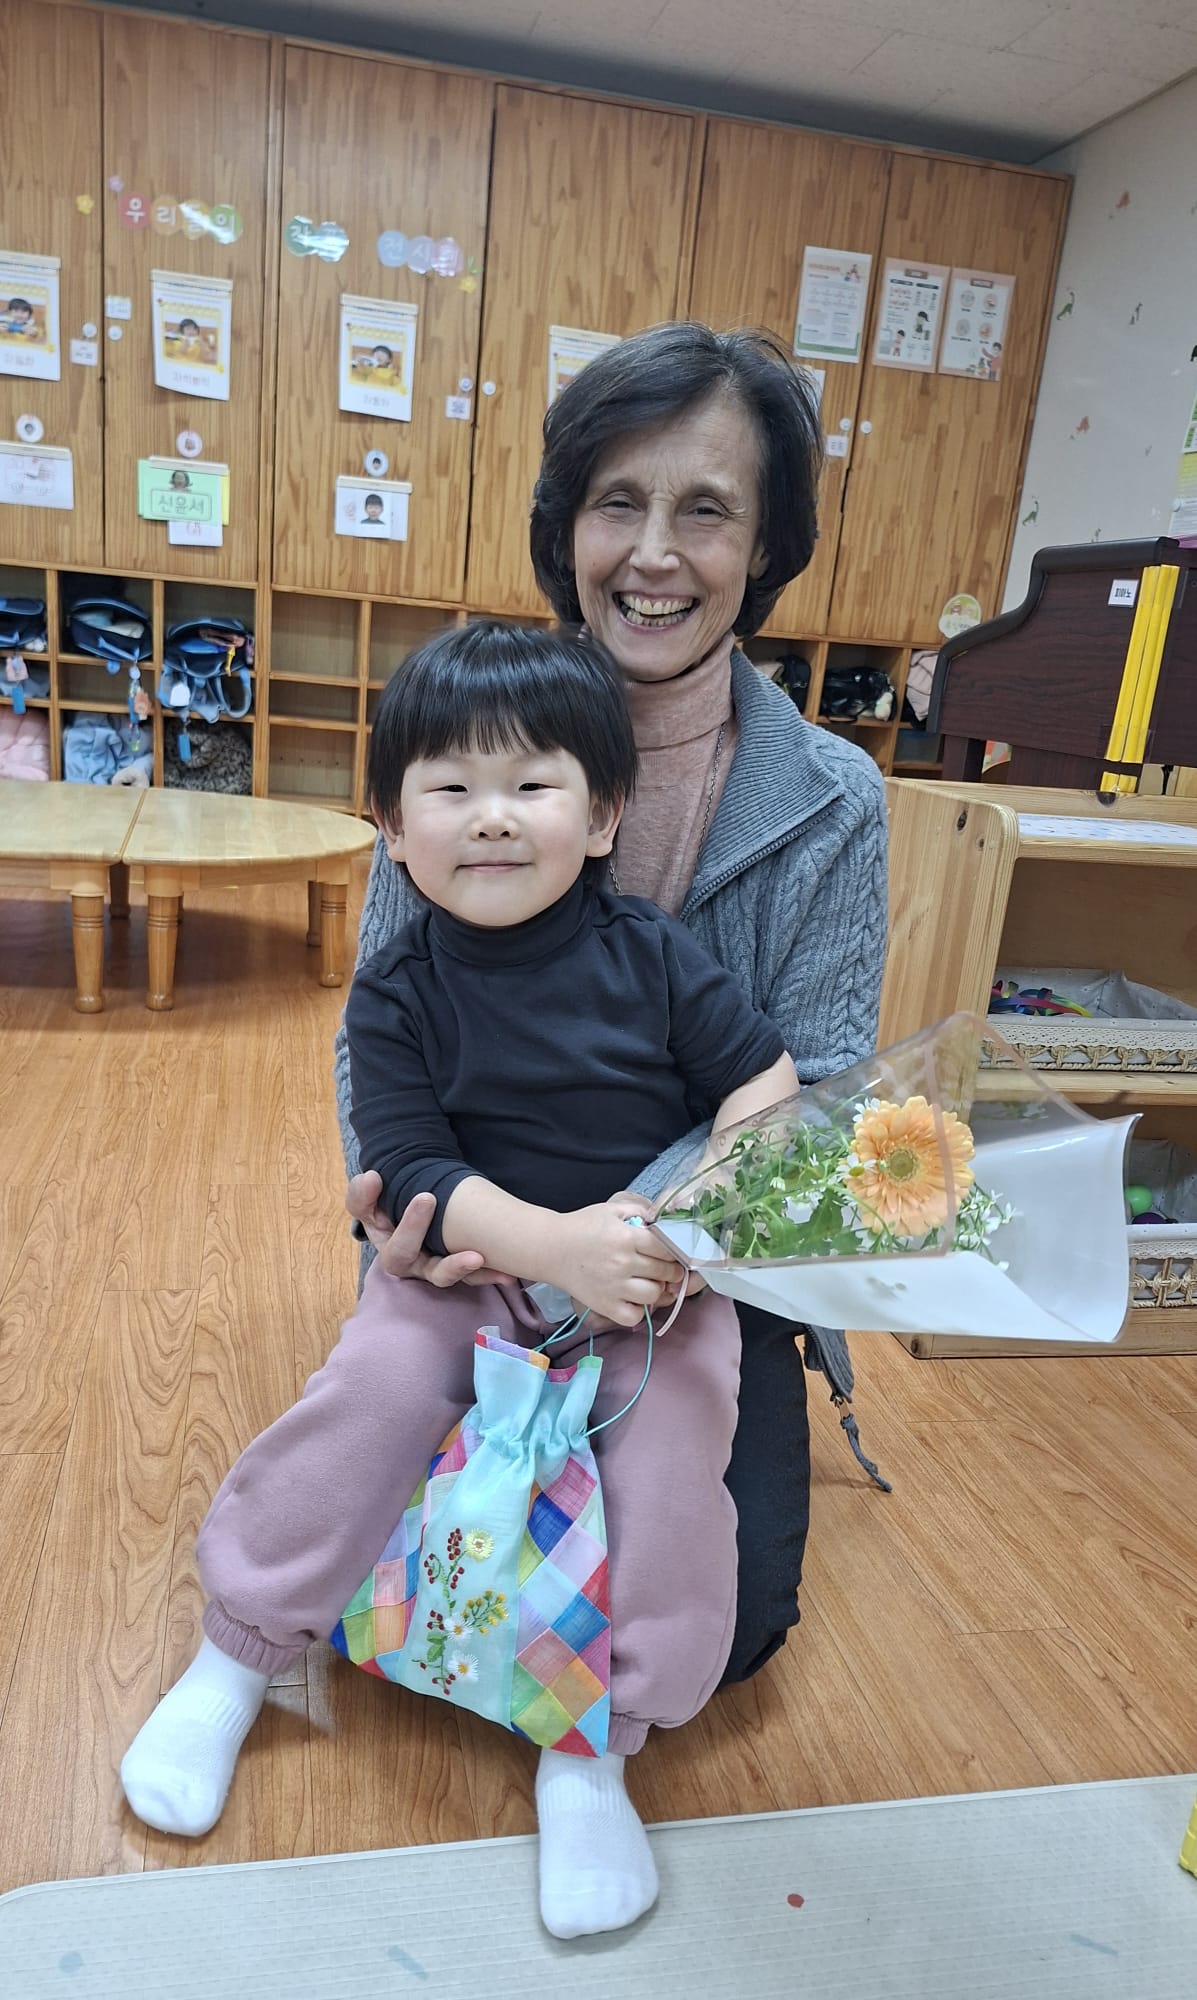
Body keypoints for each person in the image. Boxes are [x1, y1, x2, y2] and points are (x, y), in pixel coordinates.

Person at [120, 621, 799, 1942]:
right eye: (450, 786)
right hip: (468, 1269)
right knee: (370, 1394)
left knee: (672, 1459)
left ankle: (593, 1751)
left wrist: (691, 1215)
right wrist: (554, 1247)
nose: (492, 816)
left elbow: (763, 1077)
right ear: (391, 826)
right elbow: (415, 1161)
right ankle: (238, 1657)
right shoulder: (395, 988)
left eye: (532, 784)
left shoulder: (657, 954)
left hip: (650, 1288)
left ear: (601, 818)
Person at [344, 321, 890, 1686]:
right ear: (565, 525)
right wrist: (462, 1229)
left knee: (723, 1626)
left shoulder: (834, 798)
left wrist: (624, 1247)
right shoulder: (457, 737)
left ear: (764, 546)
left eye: (706, 511)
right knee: (394, 1560)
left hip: (695, 1264)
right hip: (477, 1244)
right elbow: (380, 1038)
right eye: (617, 503)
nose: (654, 554)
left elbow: (818, 1086)